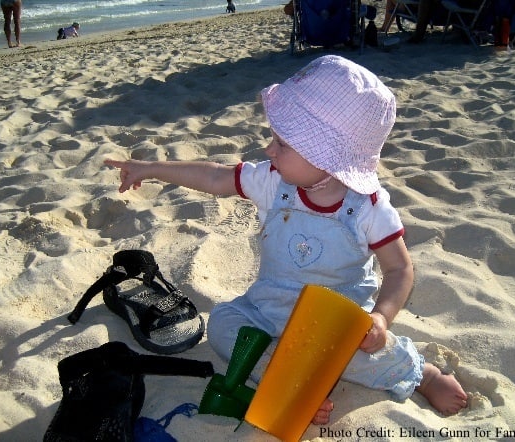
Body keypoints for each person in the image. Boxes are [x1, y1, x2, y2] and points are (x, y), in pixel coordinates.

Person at [104, 55, 468, 423]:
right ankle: (290, 383)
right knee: (223, 326)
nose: (268, 150)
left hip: (331, 327)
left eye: (282, 142)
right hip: (267, 310)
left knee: (358, 354)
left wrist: (381, 318)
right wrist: (151, 169)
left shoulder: (369, 208)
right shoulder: (273, 180)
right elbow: (215, 177)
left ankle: (421, 372)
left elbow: (399, 269)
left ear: (327, 157)